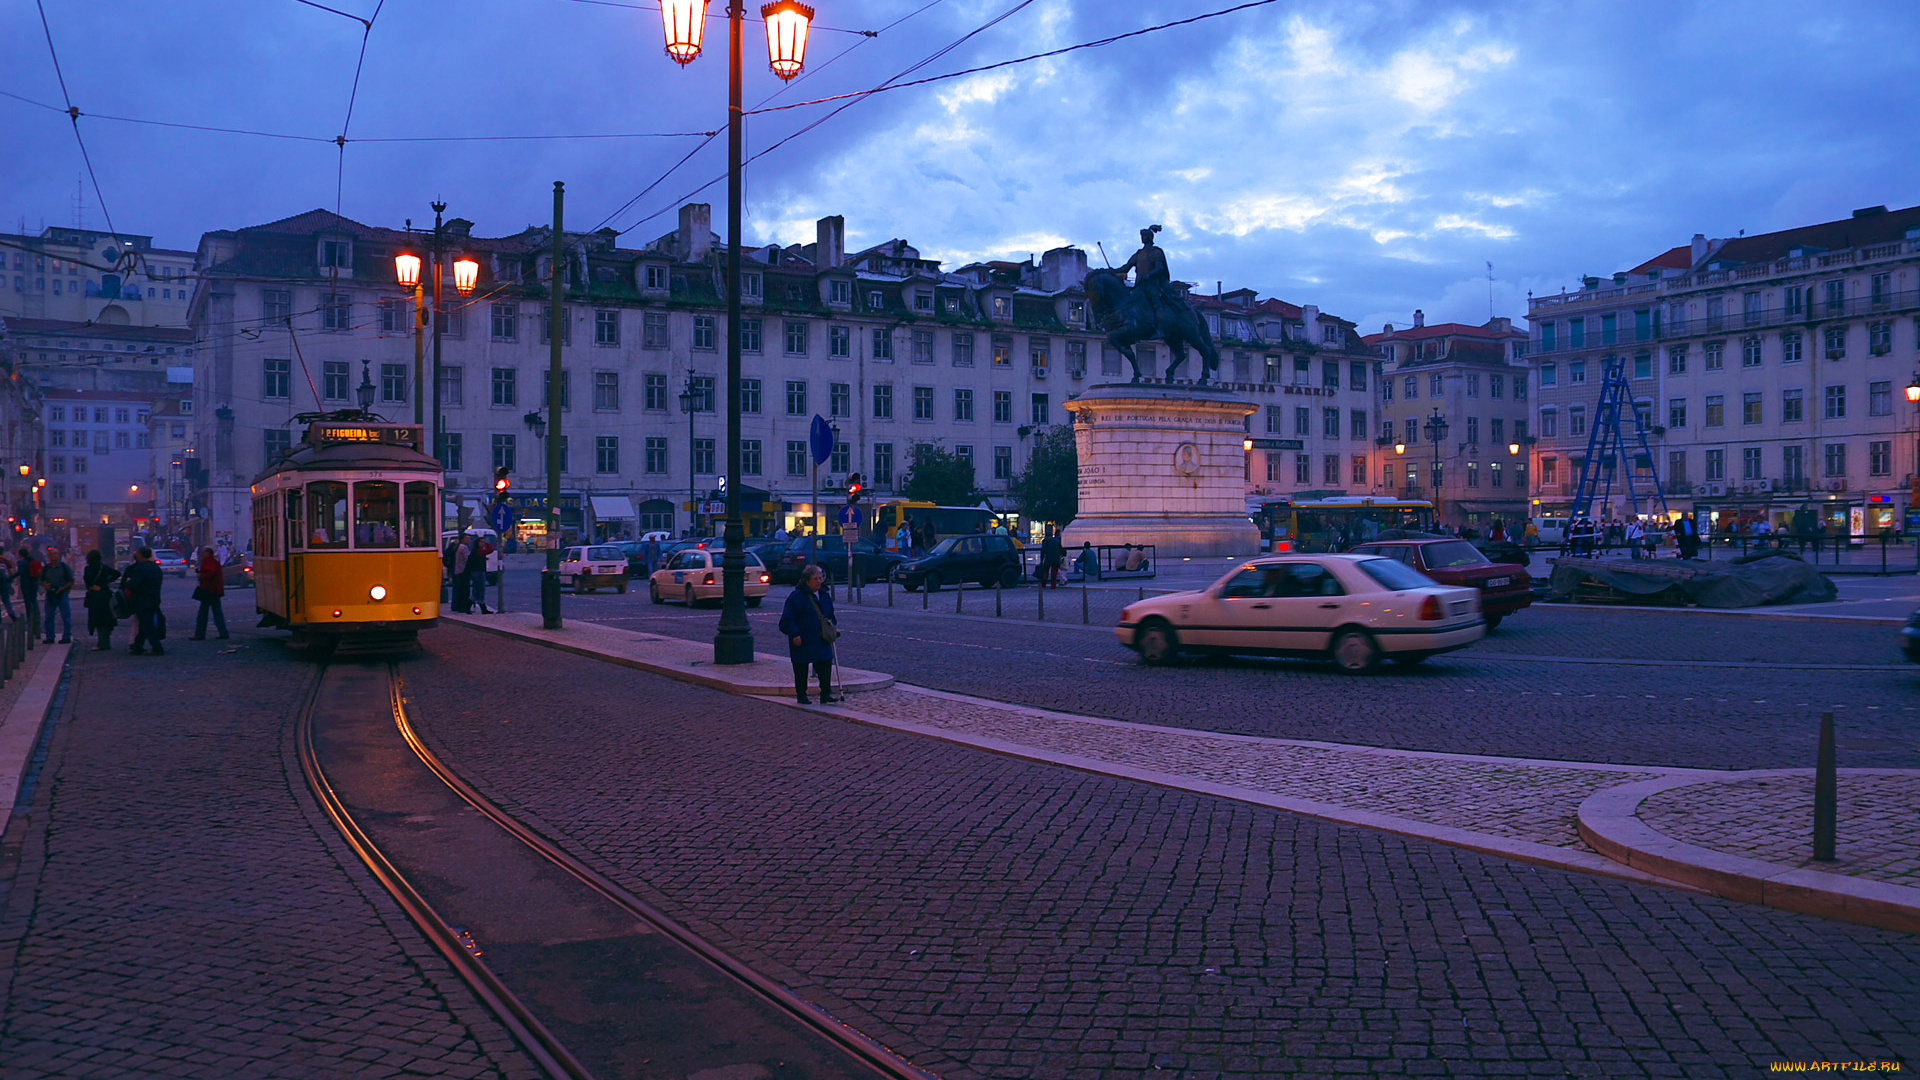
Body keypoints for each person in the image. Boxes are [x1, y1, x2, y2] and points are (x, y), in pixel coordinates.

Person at [779, 564, 837, 704]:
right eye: (815, 578)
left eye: (820, 578)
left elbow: (830, 614)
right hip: (803, 638)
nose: (818, 581)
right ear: (806, 580)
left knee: (824, 665)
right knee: (801, 668)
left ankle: (825, 693)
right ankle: (802, 694)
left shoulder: (824, 595)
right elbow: (786, 620)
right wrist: (794, 634)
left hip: (821, 638)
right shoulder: (797, 597)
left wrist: (832, 626)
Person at [125, 547, 165, 655]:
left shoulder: (141, 568)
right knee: (144, 624)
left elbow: (134, 583)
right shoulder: (155, 568)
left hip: (142, 600)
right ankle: (138, 646)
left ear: (141, 555)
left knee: (147, 625)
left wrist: (128, 582)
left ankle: (157, 647)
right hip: (153, 599)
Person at [82, 549, 120, 651]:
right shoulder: (104, 568)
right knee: (107, 619)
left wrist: (92, 586)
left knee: (98, 620)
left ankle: (102, 643)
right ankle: (105, 642)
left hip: (95, 597)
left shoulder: (88, 569)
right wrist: (105, 582)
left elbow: (87, 581)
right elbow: (117, 574)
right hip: (105, 595)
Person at [192, 546, 229, 640]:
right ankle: (223, 632)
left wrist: (201, 575)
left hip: (209, 591)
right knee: (217, 612)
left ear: (207, 553)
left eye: (202, 552)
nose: (201, 554)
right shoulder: (214, 561)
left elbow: (210, 573)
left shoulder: (208, 561)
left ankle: (200, 634)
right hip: (215, 591)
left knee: (203, 613)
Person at [40, 550, 73, 644]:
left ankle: (67, 636)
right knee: (49, 616)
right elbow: (41, 580)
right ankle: (50, 637)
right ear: (49, 556)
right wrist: (45, 585)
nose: (54, 556)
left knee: (65, 616)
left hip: (62, 593)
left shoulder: (63, 567)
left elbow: (71, 580)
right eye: (52, 554)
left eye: (56, 553)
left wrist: (62, 588)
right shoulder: (46, 568)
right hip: (50, 594)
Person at [466, 534, 494, 615]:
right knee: (480, 590)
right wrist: (487, 544)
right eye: (482, 542)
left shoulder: (475, 551)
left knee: (477, 591)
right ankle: (482, 608)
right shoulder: (478, 551)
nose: (483, 543)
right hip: (478, 572)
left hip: (477, 572)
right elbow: (490, 550)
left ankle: (472, 607)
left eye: (484, 542)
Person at [18, 546, 41, 633]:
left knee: (27, 600)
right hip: (34, 582)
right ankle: (36, 615)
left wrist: (11, 577)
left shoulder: (21, 562)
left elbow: (20, 572)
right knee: (34, 599)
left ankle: (29, 617)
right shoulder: (32, 561)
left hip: (25, 583)